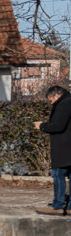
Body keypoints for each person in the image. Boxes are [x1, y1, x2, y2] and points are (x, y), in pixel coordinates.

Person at [34, 85, 71, 214]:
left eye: (50, 99)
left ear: (56, 95)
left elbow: (58, 126)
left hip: (64, 148)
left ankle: (58, 205)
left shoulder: (63, 104)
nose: (50, 102)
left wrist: (42, 126)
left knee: (58, 174)